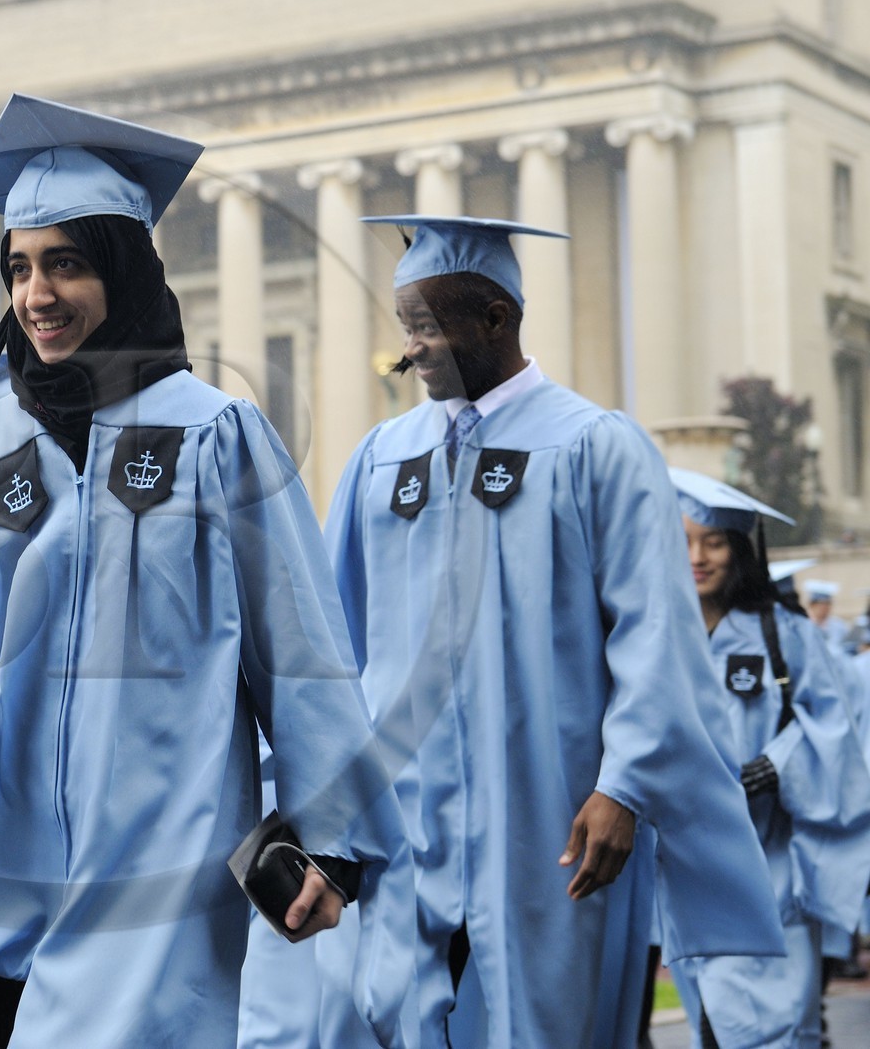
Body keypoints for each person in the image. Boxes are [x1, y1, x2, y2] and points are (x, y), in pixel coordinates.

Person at [0, 95, 412, 1049]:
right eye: (19, 268)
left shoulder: (216, 437)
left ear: (122, 272)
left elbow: (300, 654)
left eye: (66, 263)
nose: (37, 294)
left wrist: (331, 839)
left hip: (153, 874)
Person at [307, 216, 785, 1048]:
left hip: (552, 818)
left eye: (427, 326)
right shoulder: (381, 460)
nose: (411, 350)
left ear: (496, 317)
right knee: (385, 1020)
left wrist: (624, 787)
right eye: (405, 329)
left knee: (551, 1025)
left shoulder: (595, 448)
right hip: (403, 824)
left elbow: (655, 639)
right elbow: (332, 648)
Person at [667, 469, 870, 1048]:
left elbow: (836, 730)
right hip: (685, 862)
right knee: (710, 1020)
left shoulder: (784, 635)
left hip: (769, 860)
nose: (697, 557)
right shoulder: (657, 633)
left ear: (739, 550)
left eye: (713, 541)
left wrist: (778, 763)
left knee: (770, 1025)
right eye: (683, 542)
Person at [804, 580, 857, 658]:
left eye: (828, 604)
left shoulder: (838, 624)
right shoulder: (804, 624)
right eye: (822, 604)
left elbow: (848, 645)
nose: (826, 608)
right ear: (812, 605)